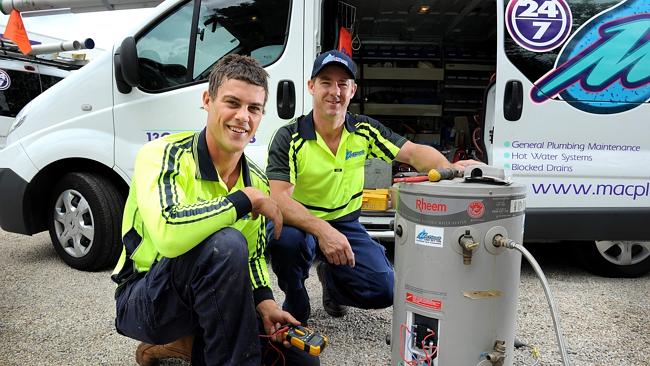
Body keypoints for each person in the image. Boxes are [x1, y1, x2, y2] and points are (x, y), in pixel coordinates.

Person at [111, 54, 319, 366]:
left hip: (213, 298)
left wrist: (264, 300)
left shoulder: (256, 181)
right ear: (207, 100)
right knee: (225, 244)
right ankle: (175, 338)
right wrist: (242, 201)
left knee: (301, 360)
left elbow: (253, 254)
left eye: (254, 108)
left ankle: (186, 344)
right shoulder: (162, 155)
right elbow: (169, 234)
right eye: (232, 103)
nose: (243, 117)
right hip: (147, 298)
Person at [266, 50, 481, 323]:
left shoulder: (364, 130)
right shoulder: (289, 136)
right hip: (301, 222)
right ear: (311, 86)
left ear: (353, 90)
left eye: (343, 84)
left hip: (345, 222)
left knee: (384, 289)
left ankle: (332, 284)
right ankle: (296, 296)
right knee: (287, 241)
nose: (335, 91)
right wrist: (322, 231)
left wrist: (449, 169)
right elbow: (279, 199)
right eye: (326, 82)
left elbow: (413, 153)